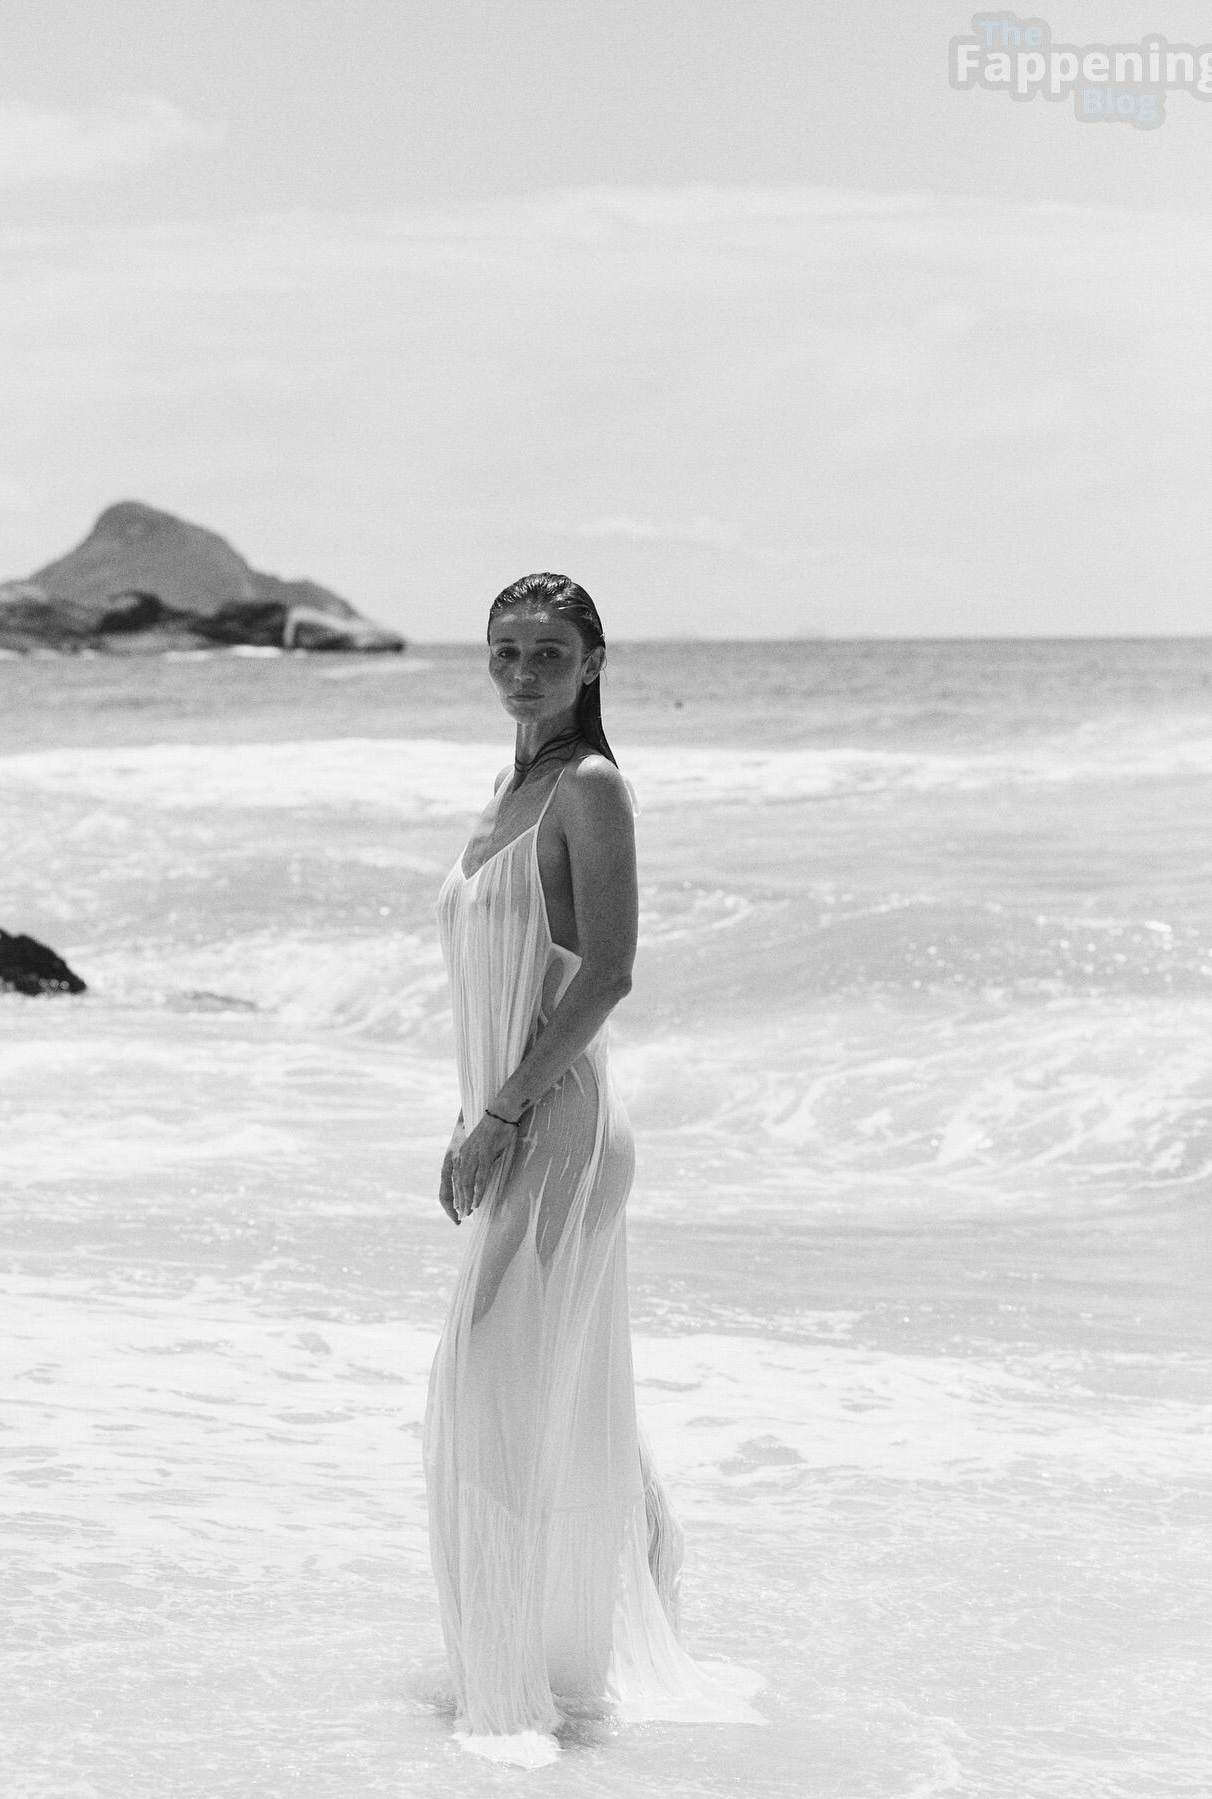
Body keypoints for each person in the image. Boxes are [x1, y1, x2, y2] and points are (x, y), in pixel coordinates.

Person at [423, 573, 764, 1767]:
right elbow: (501, 979)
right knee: (549, 1395)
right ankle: (614, 1605)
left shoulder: (590, 787)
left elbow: (609, 970)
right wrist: (473, 1109)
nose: (523, 671)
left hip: (560, 1129)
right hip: (511, 1117)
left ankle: (518, 1695)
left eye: (549, 652)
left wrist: (501, 1110)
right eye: (506, 650)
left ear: (594, 662)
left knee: (484, 1389)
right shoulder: (506, 787)